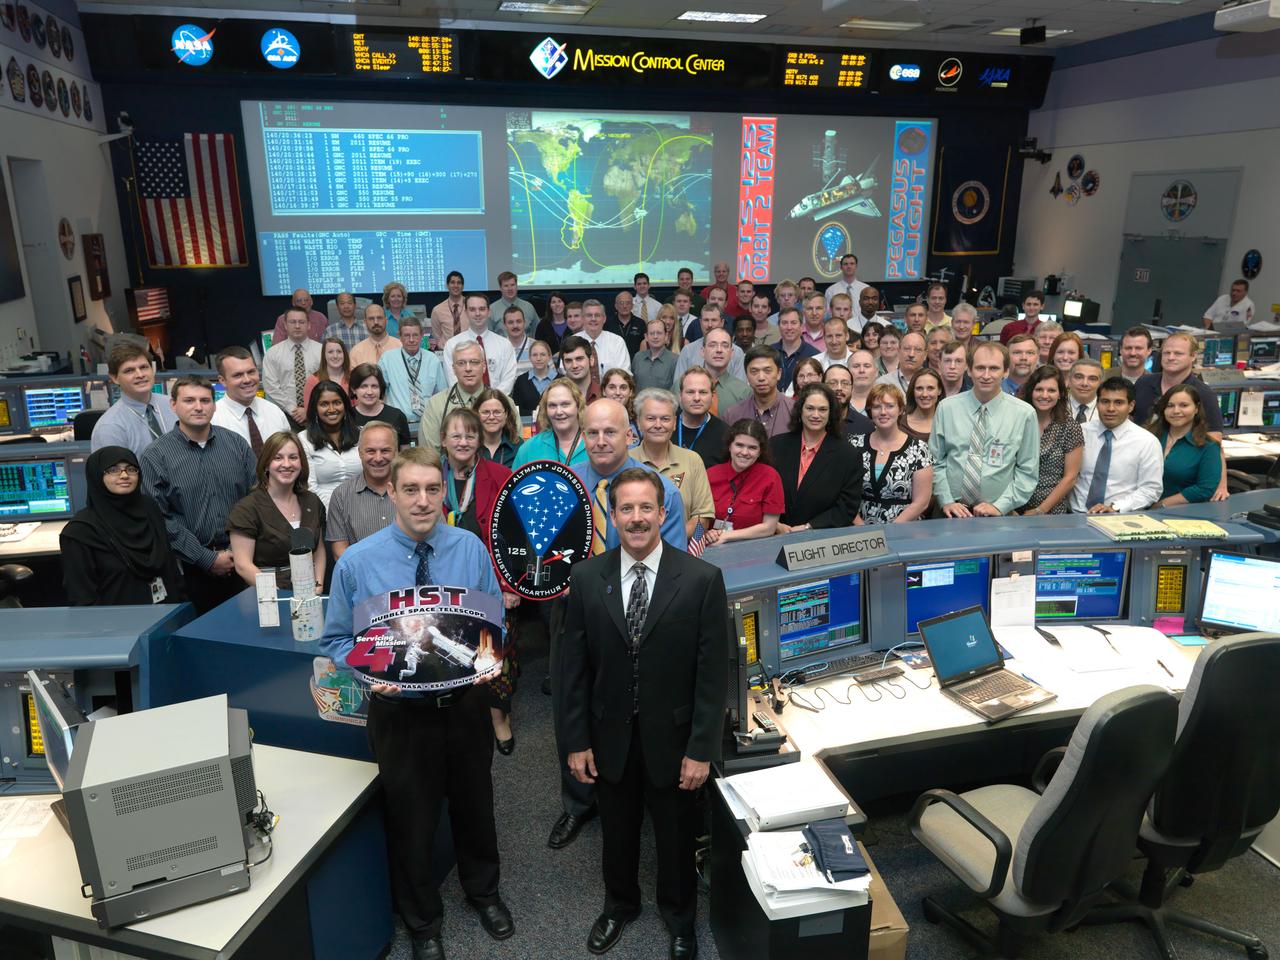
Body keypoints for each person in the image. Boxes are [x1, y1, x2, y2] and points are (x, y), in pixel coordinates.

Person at [319, 447, 514, 960]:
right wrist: (367, 673)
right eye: (412, 490)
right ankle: (422, 921)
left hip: (465, 706)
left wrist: (490, 658)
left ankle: (483, 892)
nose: (423, 500)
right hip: (400, 713)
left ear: (443, 493)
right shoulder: (358, 563)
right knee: (411, 817)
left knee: (476, 806)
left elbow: (494, 625)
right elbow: (337, 640)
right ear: (392, 493)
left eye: (433, 489)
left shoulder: (470, 548)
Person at [560, 467, 729, 960]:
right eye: (626, 509)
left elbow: (712, 675)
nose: (636, 519)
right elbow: (574, 668)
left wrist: (701, 750)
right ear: (612, 516)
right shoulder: (587, 578)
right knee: (617, 830)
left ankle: (679, 917)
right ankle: (620, 905)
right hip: (609, 735)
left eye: (645, 508)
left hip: (674, 742)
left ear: (663, 512)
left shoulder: (701, 579)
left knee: (676, 837)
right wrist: (575, 740)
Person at [547, 401, 687, 853]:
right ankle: (579, 800)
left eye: (611, 432)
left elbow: (673, 565)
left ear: (631, 435)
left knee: (637, 705)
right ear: (581, 436)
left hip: (640, 616)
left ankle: (641, 792)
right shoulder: (563, 485)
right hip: (576, 611)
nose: (601, 441)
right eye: (593, 433)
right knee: (574, 703)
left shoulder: (661, 491)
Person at [437, 407, 520, 753]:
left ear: (479, 440)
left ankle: (499, 718)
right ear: (443, 440)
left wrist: (510, 585)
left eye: (470, 435)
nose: (463, 441)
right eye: (455, 435)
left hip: (491, 580)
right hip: (444, 582)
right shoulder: (432, 477)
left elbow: (517, 535)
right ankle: (460, 716)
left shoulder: (499, 474)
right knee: (449, 649)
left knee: (494, 654)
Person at [142, 377, 257, 613]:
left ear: (214, 405)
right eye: (189, 400)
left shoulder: (236, 444)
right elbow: (158, 517)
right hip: (190, 571)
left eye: (205, 400)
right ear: (173, 405)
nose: (198, 407)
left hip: (245, 562)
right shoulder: (156, 456)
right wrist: (206, 558)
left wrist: (239, 552)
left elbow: (256, 499)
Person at [61, 446, 185, 606]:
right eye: (113, 470)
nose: (125, 475)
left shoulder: (150, 508)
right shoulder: (80, 531)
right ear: (97, 476)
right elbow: (83, 598)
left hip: (167, 614)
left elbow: (170, 568)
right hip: (119, 623)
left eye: (131, 469)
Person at [930, 342, 1039, 518]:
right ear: (969, 370)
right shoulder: (946, 408)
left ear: (1005, 372)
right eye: (980, 368)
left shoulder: (1024, 414)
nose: (986, 375)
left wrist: (1000, 506)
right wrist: (946, 500)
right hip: (950, 511)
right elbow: (935, 461)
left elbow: (1027, 471)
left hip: (999, 513)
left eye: (994, 368)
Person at [1133, 332, 1227, 500]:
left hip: (1176, 481)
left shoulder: (1204, 394)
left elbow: (1215, 443)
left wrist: (1221, 485)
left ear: (1193, 356)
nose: (1170, 357)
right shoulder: (1143, 383)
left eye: (1178, 353)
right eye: (1167, 352)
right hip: (1138, 472)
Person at [228, 431, 326, 590]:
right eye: (278, 458)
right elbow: (242, 565)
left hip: (310, 592)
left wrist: (318, 585)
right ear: (266, 464)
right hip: (267, 597)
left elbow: (319, 550)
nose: (286, 464)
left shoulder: (312, 501)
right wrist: (279, 594)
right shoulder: (246, 509)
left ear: (301, 463)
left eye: (293, 457)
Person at [770, 383, 862, 532]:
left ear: (831, 413)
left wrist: (809, 527)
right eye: (810, 408)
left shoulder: (848, 455)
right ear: (800, 410)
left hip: (821, 540)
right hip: (775, 534)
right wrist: (774, 524)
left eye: (822, 409)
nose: (815, 415)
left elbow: (847, 506)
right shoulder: (776, 445)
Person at [1072, 377, 1164, 514]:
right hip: (1073, 514)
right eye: (1105, 402)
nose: (1111, 408)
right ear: (1097, 403)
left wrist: (1116, 507)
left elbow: (1150, 489)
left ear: (1131, 406)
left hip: (1119, 516)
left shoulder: (1147, 442)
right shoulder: (1079, 432)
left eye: (1119, 403)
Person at [635, 389, 716, 539]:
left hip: (680, 552)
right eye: (651, 418)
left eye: (665, 419)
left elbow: (703, 519)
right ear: (639, 423)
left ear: (674, 423)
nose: (658, 425)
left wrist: (675, 539)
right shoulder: (625, 462)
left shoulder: (693, 460)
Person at [848, 384, 933, 524]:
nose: (883, 412)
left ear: (900, 409)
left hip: (903, 529)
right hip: (859, 530)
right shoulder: (854, 445)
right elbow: (843, 494)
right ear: (870, 411)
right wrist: (861, 529)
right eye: (876, 407)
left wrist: (892, 529)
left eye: (889, 406)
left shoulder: (918, 449)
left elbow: (921, 502)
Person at [700, 419, 785, 547]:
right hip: (712, 548)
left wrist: (726, 536)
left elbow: (769, 527)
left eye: (752, 447)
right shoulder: (710, 475)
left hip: (754, 550)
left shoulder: (770, 477)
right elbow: (697, 518)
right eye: (739, 445)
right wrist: (705, 533)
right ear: (730, 446)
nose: (744, 452)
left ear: (760, 451)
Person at [421, 341, 519, 449]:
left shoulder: (505, 403)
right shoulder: (436, 405)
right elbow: (429, 455)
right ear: (453, 369)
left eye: (474, 362)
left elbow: (517, 445)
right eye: (461, 363)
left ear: (484, 367)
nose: (468, 369)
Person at [326, 421, 399, 560]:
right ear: (359, 452)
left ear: (396, 452)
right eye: (370, 451)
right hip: (362, 579)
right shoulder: (341, 496)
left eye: (385, 450)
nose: (378, 458)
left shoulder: (414, 489)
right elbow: (339, 553)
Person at [1016, 365, 1083, 515]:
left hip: (1051, 512)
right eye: (1039, 389)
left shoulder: (1070, 427)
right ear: (1031, 391)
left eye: (1051, 390)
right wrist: (1008, 507)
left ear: (1060, 394)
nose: (1044, 395)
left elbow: (1070, 477)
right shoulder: (1016, 422)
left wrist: (1041, 510)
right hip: (1012, 508)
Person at [92, 342, 177, 457]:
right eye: (129, 371)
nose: (140, 375)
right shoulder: (109, 427)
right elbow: (113, 474)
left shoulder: (174, 405)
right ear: (114, 378)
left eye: (144, 367)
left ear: (152, 370)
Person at [1148, 385, 1223, 507]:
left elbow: (1204, 489)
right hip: (1136, 507)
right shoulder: (1150, 436)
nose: (1176, 411)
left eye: (1184, 405)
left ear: (1196, 408)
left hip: (1177, 513)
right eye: (1170, 406)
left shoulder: (1208, 446)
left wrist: (1161, 505)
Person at [211, 346, 291, 457]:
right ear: (223, 381)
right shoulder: (213, 420)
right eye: (238, 375)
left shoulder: (274, 412)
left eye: (251, 372)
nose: (247, 380)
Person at [299, 381, 362, 509]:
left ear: (345, 405)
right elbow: (310, 487)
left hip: (364, 509)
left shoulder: (363, 434)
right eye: (324, 404)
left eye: (337, 403)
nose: (332, 409)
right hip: (323, 512)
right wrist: (336, 513)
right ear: (315, 408)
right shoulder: (303, 439)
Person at [379, 317, 446, 437]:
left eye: (415, 335)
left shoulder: (432, 360)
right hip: (396, 423)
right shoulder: (387, 359)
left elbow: (442, 394)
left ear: (421, 336)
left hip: (427, 423)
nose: (411, 340)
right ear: (400, 336)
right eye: (406, 335)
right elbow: (379, 392)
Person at [443, 294, 518, 393]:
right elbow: (452, 379)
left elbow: (508, 379)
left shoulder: (504, 345)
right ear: (466, 312)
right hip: (464, 405)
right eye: (472, 309)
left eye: (482, 309)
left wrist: (492, 399)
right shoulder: (452, 345)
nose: (477, 313)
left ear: (489, 312)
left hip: (497, 403)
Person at [264, 307, 323, 427]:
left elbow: (326, 384)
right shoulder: (273, 353)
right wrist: (292, 410)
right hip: (284, 415)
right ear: (285, 325)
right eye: (292, 322)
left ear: (309, 325)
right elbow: (271, 387)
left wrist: (309, 409)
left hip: (317, 414)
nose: (297, 326)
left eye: (301, 322)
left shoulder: (322, 351)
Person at [513, 379, 588, 469]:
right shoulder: (529, 449)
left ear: (578, 406)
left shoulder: (595, 443)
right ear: (545, 409)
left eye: (565, 404)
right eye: (552, 405)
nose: (559, 411)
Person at [723, 345, 794, 440]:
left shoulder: (794, 411)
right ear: (746, 375)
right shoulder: (732, 415)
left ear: (778, 374)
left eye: (767, 371)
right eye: (754, 371)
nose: (761, 378)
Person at [673, 304, 746, 385]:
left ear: (722, 323)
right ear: (700, 322)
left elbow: (740, 387)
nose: (710, 325)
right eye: (706, 320)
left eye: (714, 320)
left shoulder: (736, 352)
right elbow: (678, 385)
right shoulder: (688, 351)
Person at [348, 364, 412, 448]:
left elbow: (405, 455)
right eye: (364, 386)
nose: (369, 392)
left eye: (374, 386)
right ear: (353, 389)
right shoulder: (347, 417)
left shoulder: (397, 416)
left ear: (381, 389)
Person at [676, 368, 729, 468]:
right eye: (690, 392)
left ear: (712, 396)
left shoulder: (725, 434)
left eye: (703, 392)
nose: (697, 398)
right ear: (680, 395)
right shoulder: (664, 425)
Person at [700, 329, 751, 413]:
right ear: (702, 351)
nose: (719, 350)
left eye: (725, 346)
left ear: (731, 353)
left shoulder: (744, 392)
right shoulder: (683, 385)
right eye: (712, 345)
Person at [580, 299, 632, 375]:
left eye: (597, 315)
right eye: (589, 315)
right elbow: (565, 373)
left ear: (604, 319)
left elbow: (624, 374)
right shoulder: (573, 341)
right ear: (582, 319)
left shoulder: (617, 342)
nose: (593, 319)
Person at [475, 388, 523, 468]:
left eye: (497, 412)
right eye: (485, 412)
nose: (491, 417)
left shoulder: (519, 447)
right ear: (476, 414)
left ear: (506, 414)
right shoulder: (469, 446)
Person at [822, 364, 873, 438]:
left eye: (845, 383)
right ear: (822, 386)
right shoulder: (815, 421)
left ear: (852, 388)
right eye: (832, 383)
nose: (839, 388)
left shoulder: (865, 425)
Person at [774, 307, 818, 391]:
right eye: (784, 323)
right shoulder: (769, 352)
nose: (789, 327)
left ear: (801, 326)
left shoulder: (814, 355)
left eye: (794, 323)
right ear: (779, 326)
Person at [349, 303, 402, 369]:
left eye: (379, 318)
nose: (376, 322)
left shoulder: (401, 347)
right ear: (365, 322)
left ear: (386, 320)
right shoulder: (356, 352)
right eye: (371, 319)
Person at [511, 340, 557, 416]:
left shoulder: (561, 380)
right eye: (535, 355)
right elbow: (516, 410)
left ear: (549, 357)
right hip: (528, 426)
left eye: (543, 354)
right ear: (530, 358)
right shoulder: (521, 381)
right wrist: (535, 414)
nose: (538, 358)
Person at [633, 317, 678, 392]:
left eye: (659, 333)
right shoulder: (638, 357)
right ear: (646, 337)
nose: (655, 337)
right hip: (639, 403)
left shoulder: (675, 360)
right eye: (651, 333)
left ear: (666, 336)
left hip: (664, 403)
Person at [304, 337, 351, 410]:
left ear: (344, 354)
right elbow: (310, 412)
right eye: (330, 352)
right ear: (324, 355)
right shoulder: (313, 381)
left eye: (339, 351)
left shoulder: (353, 377)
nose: (335, 356)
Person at [557, 335, 601, 405]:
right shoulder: (554, 396)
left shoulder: (603, 395)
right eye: (568, 361)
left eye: (579, 359)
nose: (574, 365)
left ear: (591, 360)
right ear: (563, 364)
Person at [903, 367, 943, 442]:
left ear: (939, 390)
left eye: (930, 388)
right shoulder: (899, 424)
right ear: (913, 391)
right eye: (919, 388)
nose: (924, 394)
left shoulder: (948, 424)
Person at [429, 270, 467, 348]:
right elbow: (437, 336)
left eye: (459, 283)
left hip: (468, 350)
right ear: (447, 285)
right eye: (452, 282)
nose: (455, 285)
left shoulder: (471, 306)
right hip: (446, 352)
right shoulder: (437, 310)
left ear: (462, 286)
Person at [611, 291, 647, 358]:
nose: (624, 306)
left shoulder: (640, 323)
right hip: (614, 364)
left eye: (628, 303)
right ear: (615, 306)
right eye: (621, 303)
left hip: (635, 364)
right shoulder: (608, 324)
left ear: (632, 306)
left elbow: (645, 346)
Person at [1067, 358, 1104, 422]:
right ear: (1069, 381)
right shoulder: (1055, 406)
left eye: (1092, 379)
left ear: (1101, 384)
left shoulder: (1108, 410)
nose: (1084, 383)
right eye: (1079, 377)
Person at [501, 304, 535, 374]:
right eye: (510, 322)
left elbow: (552, 377)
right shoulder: (498, 348)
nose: (515, 326)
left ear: (524, 323)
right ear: (504, 325)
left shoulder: (537, 347)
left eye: (519, 321)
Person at [534, 291, 569, 355]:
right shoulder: (543, 324)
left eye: (560, 301)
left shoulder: (572, 322)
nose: (557, 304)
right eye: (553, 302)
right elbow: (538, 346)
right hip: (548, 362)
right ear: (549, 305)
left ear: (565, 304)